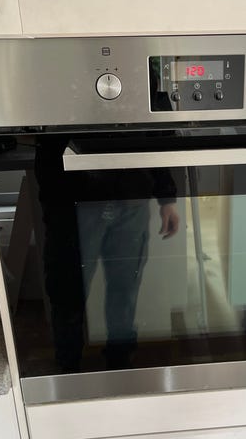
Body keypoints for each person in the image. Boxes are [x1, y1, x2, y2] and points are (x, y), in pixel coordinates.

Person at [35, 135, 179, 372]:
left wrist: (167, 195)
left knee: (123, 290)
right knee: (69, 292)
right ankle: (69, 370)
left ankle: (117, 364)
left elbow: (152, 129)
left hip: (129, 194)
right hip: (72, 196)